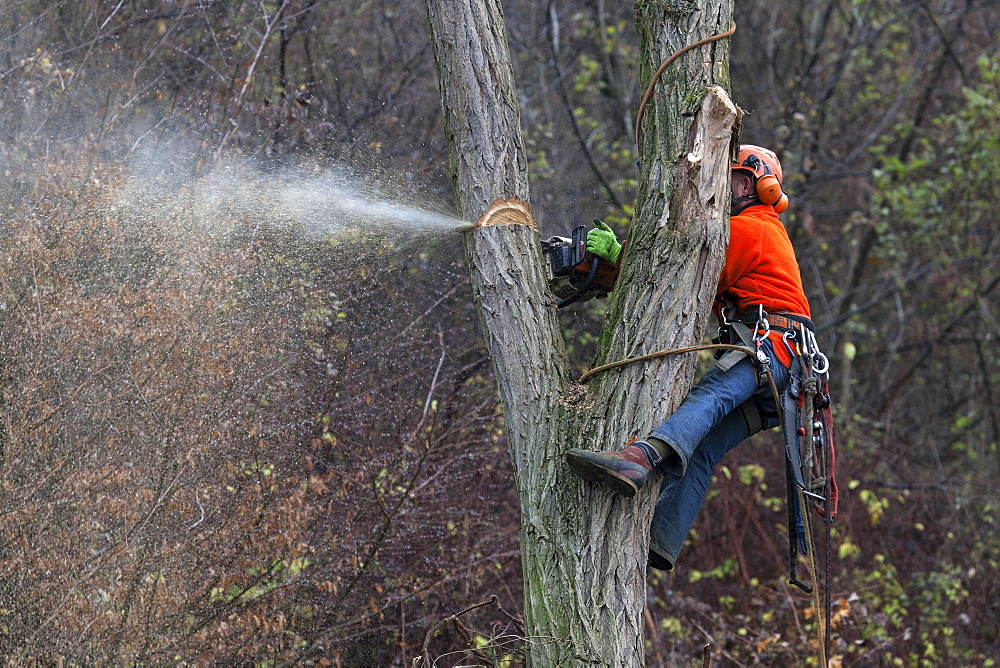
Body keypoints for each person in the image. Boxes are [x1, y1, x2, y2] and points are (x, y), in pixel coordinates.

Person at [566, 144, 812, 571]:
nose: (727, 185)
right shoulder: (758, 231)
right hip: (786, 378)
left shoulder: (750, 228)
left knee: (710, 396)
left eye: (736, 179)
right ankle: (659, 543)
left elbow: (682, 275)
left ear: (760, 187)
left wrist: (619, 256)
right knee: (703, 449)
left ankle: (638, 459)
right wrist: (605, 271)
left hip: (773, 351)